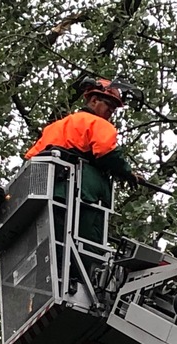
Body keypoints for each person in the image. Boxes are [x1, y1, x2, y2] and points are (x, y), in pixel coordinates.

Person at [24, 78, 142, 246]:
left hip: (49, 195)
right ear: (94, 100)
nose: (111, 111)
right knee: (87, 249)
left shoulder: (55, 127)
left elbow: (30, 160)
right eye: (109, 105)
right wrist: (128, 173)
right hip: (82, 196)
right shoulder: (98, 123)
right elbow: (107, 153)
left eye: (114, 108)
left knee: (54, 246)